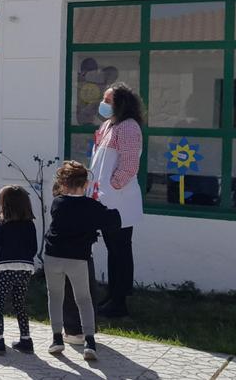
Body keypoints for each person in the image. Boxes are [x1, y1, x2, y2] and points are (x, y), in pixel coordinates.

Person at [44, 161, 121, 361]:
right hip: (78, 258)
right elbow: (113, 220)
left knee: (55, 296)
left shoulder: (57, 203)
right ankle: (89, 342)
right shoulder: (91, 206)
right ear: (85, 184)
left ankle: (57, 339)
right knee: (84, 299)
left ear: (62, 183)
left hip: (53, 255)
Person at [91, 82, 144, 318]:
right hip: (106, 199)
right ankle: (112, 295)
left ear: (121, 103)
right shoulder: (108, 125)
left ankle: (119, 301)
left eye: (108, 100)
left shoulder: (129, 127)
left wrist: (113, 186)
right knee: (113, 249)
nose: (103, 104)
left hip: (119, 200)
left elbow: (130, 165)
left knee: (120, 250)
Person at [0, 185, 38, 355]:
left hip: (5, 267)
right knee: (19, 303)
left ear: (5, 204)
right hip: (25, 268)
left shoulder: (0, 223)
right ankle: (26, 339)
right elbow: (33, 247)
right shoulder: (29, 224)